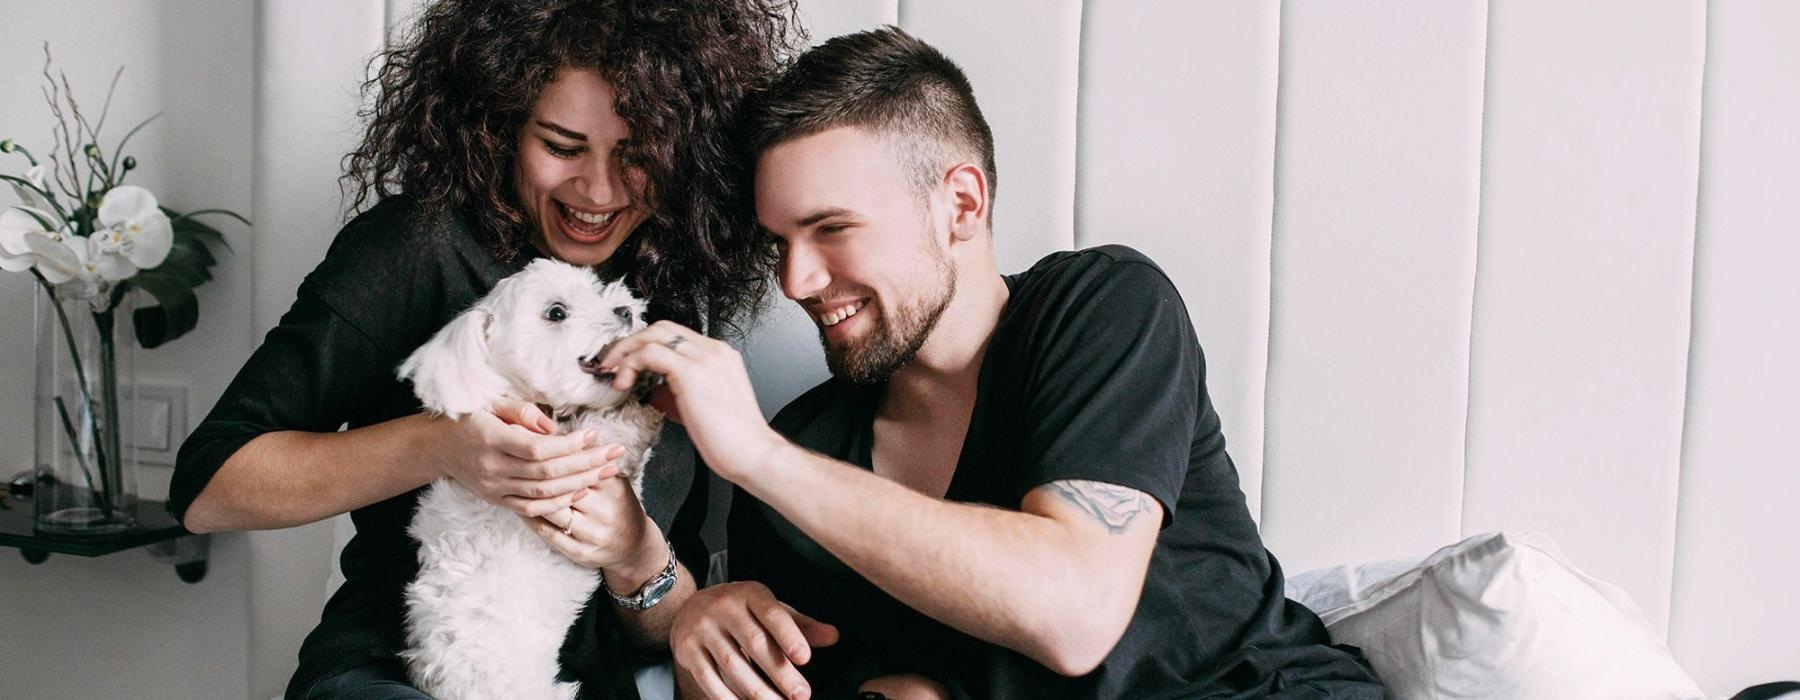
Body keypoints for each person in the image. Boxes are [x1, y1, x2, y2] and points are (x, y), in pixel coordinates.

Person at [595, 27, 1390, 699]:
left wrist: (757, 456)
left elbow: (1074, 615)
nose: (796, 282)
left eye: (832, 228)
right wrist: (703, 619)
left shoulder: (1102, 307)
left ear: (962, 205)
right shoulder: (806, 449)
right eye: (781, 244)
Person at [168, 1, 801, 697]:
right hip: (397, 675)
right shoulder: (420, 247)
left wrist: (636, 554)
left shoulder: (666, 292)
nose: (598, 191)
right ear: (500, 125)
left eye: (637, 156)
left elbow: (662, 628)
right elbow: (207, 490)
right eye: (562, 146)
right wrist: (441, 446)